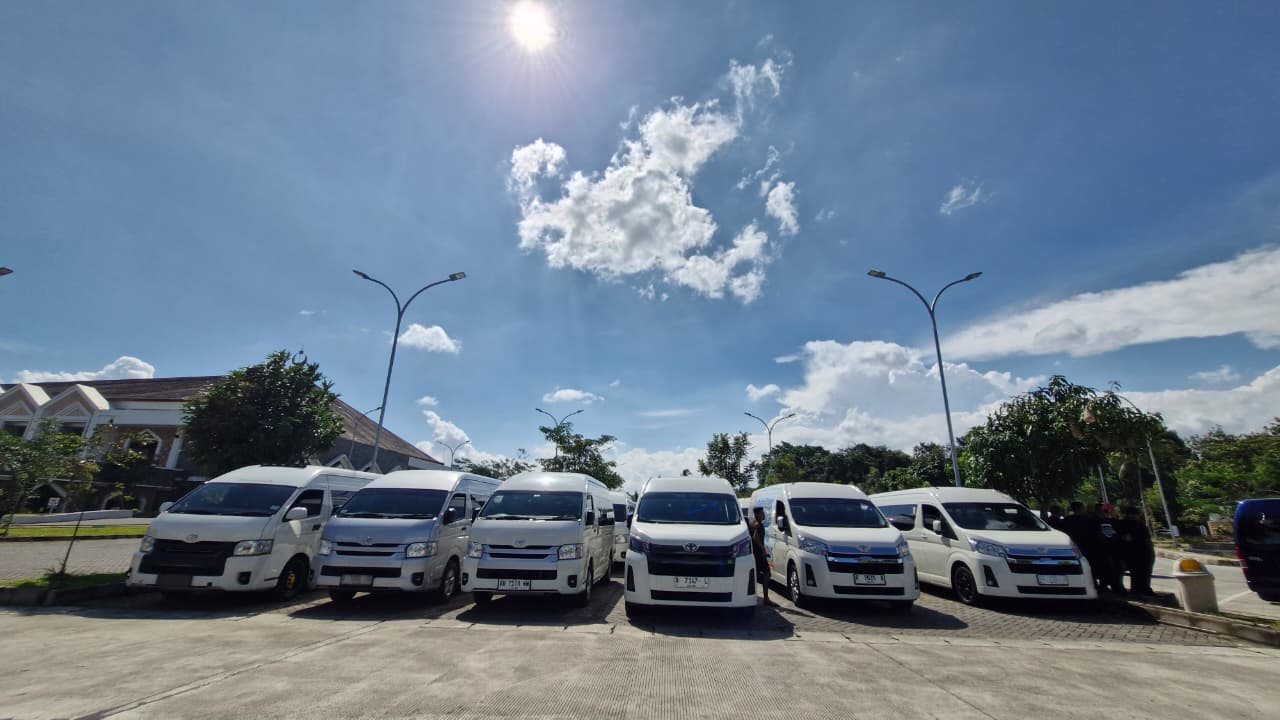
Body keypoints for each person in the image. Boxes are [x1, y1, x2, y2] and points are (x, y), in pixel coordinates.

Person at [1119, 506, 1155, 595]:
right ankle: (1141, 589)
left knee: (1138, 572)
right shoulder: (1135, 524)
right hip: (1139, 551)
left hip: (1137, 551)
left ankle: (1140, 589)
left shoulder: (1124, 524)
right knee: (1141, 572)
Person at [1096, 504, 1125, 594]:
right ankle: (1115, 588)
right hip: (1110, 550)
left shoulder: (1108, 521)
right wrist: (1121, 537)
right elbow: (1109, 535)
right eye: (1113, 510)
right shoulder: (1105, 522)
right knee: (1114, 570)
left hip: (1111, 550)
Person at [750, 506, 771, 605]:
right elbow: (755, 538)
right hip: (759, 554)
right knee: (767, 573)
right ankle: (766, 598)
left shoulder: (752, 523)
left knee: (757, 574)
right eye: (762, 513)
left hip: (753, 553)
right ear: (757, 514)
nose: (764, 515)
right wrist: (763, 549)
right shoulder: (759, 525)